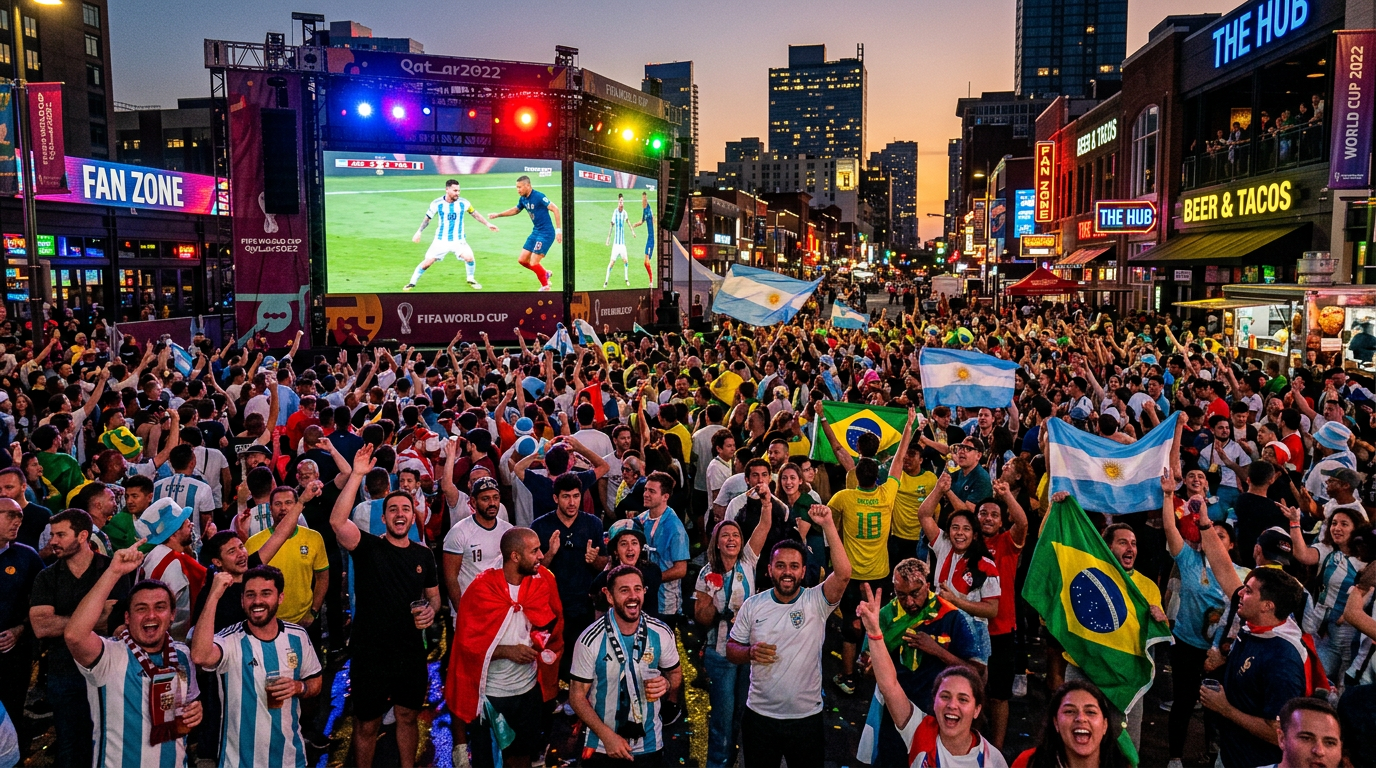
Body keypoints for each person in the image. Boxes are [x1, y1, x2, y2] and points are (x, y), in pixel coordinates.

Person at [329, 444, 439, 768]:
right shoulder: (367, 547)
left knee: (407, 716)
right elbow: (337, 522)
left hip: (409, 651)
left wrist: (431, 611)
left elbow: (433, 596)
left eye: (405, 508)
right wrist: (357, 476)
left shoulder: (423, 555)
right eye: (393, 509)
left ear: (412, 514)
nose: (400, 514)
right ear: (384, 516)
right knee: (367, 724)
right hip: (370, 651)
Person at [726, 505, 850, 768]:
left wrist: (828, 525)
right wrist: (748, 653)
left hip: (806, 719)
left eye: (794, 566)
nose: (787, 572)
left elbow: (843, 574)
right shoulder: (753, 605)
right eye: (780, 565)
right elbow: (731, 648)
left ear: (803, 572)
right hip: (759, 717)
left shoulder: (816, 600)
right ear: (769, 569)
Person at [63, 541, 204, 768]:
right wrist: (114, 572)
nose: (151, 615)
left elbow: (188, 706)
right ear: (127, 618)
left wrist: (196, 711)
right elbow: (74, 636)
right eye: (141, 608)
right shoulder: (109, 655)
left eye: (160, 607)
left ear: (172, 615)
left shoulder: (182, 655)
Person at [854, 584, 1008, 768]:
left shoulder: (994, 761)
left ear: (977, 709)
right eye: (945, 696)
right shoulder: (920, 731)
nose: (952, 705)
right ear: (934, 701)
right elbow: (889, 686)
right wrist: (874, 633)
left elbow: (978, 669)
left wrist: (938, 651)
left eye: (963, 699)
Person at [447, 528, 563, 768]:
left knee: (522, 757)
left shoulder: (542, 583)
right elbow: (467, 644)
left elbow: (550, 623)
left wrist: (539, 642)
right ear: (515, 557)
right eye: (534, 551)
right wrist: (507, 651)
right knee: (487, 760)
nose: (541, 556)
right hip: (491, 696)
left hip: (528, 690)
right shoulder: (481, 589)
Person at [190, 565, 323, 768]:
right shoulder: (230, 640)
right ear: (242, 600)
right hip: (239, 762)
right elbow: (199, 656)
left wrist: (299, 687)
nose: (257, 601)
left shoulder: (298, 636)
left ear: (280, 597)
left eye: (266, 593)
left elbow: (315, 681)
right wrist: (214, 596)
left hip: (290, 759)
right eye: (250, 595)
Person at [28, 508, 129, 768]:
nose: (53, 541)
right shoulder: (46, 576)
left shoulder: (111, 570)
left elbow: (114, 619)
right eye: (52, 535)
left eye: (61, 534)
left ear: (83, 535)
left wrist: (64, 620)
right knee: (70, 744)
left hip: (107, 669)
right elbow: (41, 626)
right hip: (63, 671)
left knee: (109, 739)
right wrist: (92, 617)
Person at [569, 565, 682, 765]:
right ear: (609, 596)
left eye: (638, 589)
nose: (633, 596)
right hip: (602, 744)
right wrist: (607, 736)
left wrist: (667, 684)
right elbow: (577, 696)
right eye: (624, 590)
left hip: (649, 743)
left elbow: (674, 672)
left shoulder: (661, 633)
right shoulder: (589, 640)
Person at [1198, 567, 1309, 768]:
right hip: (1229, 754)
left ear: (1267, 605)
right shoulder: (1252, 630)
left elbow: (1278, 734)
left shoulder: (1282, 660)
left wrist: (1225, 709)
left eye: (1248, 591)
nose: (1239, 593)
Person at [695, 509, 771, 768]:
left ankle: (736, 760)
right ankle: (718, 764)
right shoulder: (706, 573)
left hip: (748, 653)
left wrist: (766, 502)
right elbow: (701, 619)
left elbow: (764, 524)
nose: (731, 539)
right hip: (720, 654)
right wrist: (715, 602)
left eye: (736, 535)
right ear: (716, 542)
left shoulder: (748, 560)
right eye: (725, 535)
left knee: (744, 714)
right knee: (722, 719)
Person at [532, 472, 607, 676]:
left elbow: (604, 565)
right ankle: (552, 697)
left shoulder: (593, 524)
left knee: (582, 655)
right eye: (566, 496)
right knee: (551, 656)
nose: (572, 502)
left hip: (583, 604)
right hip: (551, 605)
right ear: (556, 498)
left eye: (576, 496)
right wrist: (550, 554)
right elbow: (533, 571)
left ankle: (578, 697)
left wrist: (595, 559)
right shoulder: (540, 526)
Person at [404, 178, 499, 292]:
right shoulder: (437, 203)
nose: (457, 193)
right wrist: (419, 231)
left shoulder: (464, 203)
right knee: (427, 263)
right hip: (441, 240)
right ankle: (412, 283)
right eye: (455, 190)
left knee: (469, 258)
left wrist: (487, 224)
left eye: (459, 190)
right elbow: (427, 219)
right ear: (447, 190)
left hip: (458, 240)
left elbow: (475, 214)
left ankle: (470, 279)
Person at [1010, 680, 1131, 768]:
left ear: (1105, 725)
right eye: (1069, 711)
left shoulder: (1121, 765)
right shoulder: (1029, 763)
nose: (1081, 718)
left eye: (1090, 712)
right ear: (1056, 722)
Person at [0, 499, 40, 753]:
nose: (18, 521)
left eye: (20, 516)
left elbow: (42, 603)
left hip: (11, 656)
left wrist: (20, 629)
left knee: (12, 713)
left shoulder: (26, 556)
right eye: (11, 515)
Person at [133, 497, 204, 640]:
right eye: (185, 523)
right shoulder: (177, 563)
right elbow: (179, 618)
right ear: (174, 533)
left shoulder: (152, 555)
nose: (191, 524)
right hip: (172, 643)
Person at [442, 475, 513, 618]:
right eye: (485, 499)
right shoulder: (459, 532)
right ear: (473, 502)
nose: (492, 503)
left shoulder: (508, 530)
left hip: (500, 610)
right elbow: (450, 578)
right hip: (470, 610)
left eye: (495, 498)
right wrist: (461, 612)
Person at [486, 175, 562, 291]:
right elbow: (516, 210)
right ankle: (544, 273)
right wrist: (498, 215)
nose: (518, 190)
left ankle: (545, 286)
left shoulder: (539, 196)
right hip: (536, 231)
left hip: (546, 233)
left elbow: (555, 209)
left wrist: (558, 231)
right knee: (522, 260)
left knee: (534, 262)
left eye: (520, 187)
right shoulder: (523, 199)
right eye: (517, 187)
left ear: (528, 186)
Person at [635, 471, 690, 622]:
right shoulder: (641, 519)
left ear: (665, 496)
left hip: (665, 603)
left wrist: (650, 579)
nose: (646, 494)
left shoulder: (675, 528)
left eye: (652, 491)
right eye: (645, 489)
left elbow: (681, 569)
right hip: (643, 598)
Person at [602, 193, 633, 288]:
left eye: (622, 201)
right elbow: (611, 225)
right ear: (618, 202)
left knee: (626, 261)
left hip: (622, 244)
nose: (621, 202)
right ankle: (606, 281)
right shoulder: (615, 212)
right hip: (616, 244)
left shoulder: (625, 213)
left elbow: (628, 222)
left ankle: (626, 279)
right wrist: (608, 238)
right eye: (620, 201)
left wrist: (632, 232)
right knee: (611, 263)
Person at [631, 190, 654, 285]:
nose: (642, 201)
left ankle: (651, 281)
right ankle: (651, 280)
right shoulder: (645, 211)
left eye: (644, 199)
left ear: (646, 200)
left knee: (647, 261)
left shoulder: (648, 209)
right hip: (649, 238)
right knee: (645, 263)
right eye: (642, 199)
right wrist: (635, 225)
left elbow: (652, 219)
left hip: (651, 239)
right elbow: (642, 221)